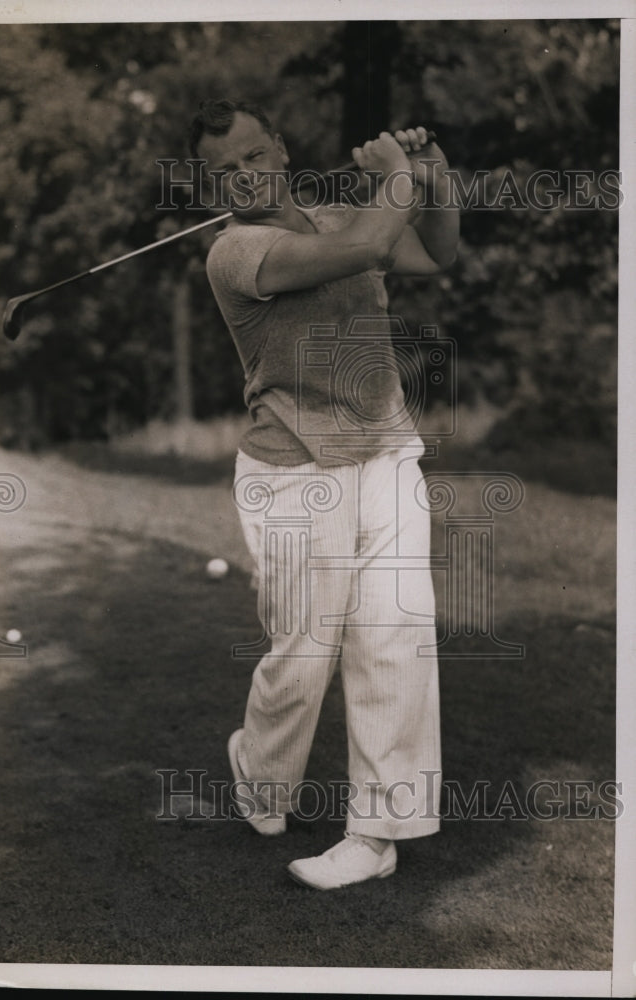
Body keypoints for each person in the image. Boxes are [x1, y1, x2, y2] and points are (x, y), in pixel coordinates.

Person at [188, 98, 459, 889]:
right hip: (293, 474)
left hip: (383, 451)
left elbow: (434, 253)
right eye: (224, 172)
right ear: (211, 189)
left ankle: (376, 835)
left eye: (253, 155)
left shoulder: (338, 209)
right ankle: (262, 771)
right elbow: (371, 243)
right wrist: (398, 176)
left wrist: (431, 175)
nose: (244, 176)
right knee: (303, 655)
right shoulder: (235, 254)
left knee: (394, 635)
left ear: (280, 148)